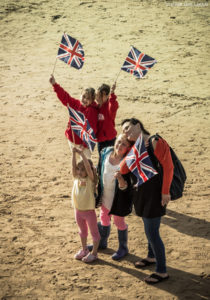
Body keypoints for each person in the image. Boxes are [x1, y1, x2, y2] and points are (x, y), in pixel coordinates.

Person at [120, 118, 174, 284]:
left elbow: (168, 167)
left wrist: (165, 193)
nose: (127, 133)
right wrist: (130, 149)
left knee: (152, 232)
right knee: (148, 227)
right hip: (141, 193)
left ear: (138, 125)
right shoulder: (135, 147)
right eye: (124, 132)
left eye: (128, 128)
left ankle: (162, 271)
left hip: (155, 194)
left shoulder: (155, 141)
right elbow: (123, 168)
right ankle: (151, 257)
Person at [95, 133, 133, 260]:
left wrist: (121, 179)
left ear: (128, 148)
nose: (120, 145)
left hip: (118, 200)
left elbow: (126, 187)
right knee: (103, 217)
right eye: (119, 141)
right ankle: (102, 242)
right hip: (105, 196)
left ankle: (123, 248)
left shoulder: (127, 163)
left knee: (119, 222)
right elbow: (99, 169)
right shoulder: (105, 152)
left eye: (124, 144)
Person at [49, 75, 98, 158]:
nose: (85, 100)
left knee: (86, 164)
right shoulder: (76, 103)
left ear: (92, 100)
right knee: (74, 162)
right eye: (84, 96)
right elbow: (65, 97)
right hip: (72, 139)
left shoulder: (92, 111)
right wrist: (55, 84)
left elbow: (91, 129)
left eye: (88, 98)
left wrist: (85, 145)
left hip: (83, 145)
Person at [71, 146, 100, 263]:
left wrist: (82, 154)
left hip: (89, 212)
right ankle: (84, 250)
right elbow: (73, 167)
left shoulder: (90, 180)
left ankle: (94, 253)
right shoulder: (76, 178)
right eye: (79, 169)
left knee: (94, 232)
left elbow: (88, 168)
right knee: (82, 231)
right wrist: (73, 154)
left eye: (82, 169)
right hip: (78, 211)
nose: (79, 171)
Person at [96, 83, 119, 154]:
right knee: (101, 158)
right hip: (100, 140)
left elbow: (113, 106)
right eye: (97, 96)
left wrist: (112, 94)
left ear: (107, 96)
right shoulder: (96, 107)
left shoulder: (109, 106)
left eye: (100, 96)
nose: (98, 98)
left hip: (110, 139)